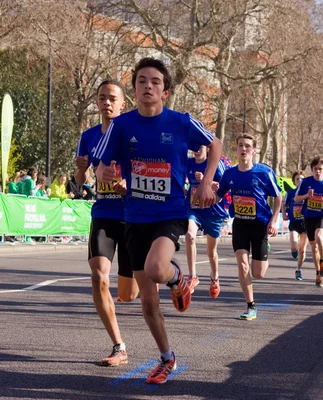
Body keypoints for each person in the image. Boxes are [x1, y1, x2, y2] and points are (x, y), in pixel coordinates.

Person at [95, 58, 222, 384]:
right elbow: (100, 166)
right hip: (135, 218)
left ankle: (179, 277)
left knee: (155, 267)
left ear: (164, 91)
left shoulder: (181, 122)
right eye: (141, 81)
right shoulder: (121, 127)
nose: (147, 86)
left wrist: (207, 181)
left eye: (154, 81)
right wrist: (105, 171)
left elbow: (215, 144)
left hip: (170, 215)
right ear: (134, 89)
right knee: (148, 302)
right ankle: (167, 358)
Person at [75, 79, 139, 367]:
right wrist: (79, 172)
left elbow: (147, 172)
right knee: (99, 275)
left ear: (123, 103)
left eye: (112, 98)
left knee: (128, 293)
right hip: (102, 213)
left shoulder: (134, 134)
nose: (107, 102)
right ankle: (119, 345)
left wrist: (128, 184)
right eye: (102, 98)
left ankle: (169, 275)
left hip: (132, 216)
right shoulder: (88, 136)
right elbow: (80, 182)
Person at [217, 134, 281, 319]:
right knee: (243, 266)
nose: (243, 149)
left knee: (258, 273)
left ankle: (264, 246)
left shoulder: (264, 172)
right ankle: (250, 306)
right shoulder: (229, 174)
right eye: (240, 146)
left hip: (260, 225)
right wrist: (206, 193)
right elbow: (219, 195)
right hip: (240, 224)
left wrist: (273, 221)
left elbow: (278, 197)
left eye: (247, 146)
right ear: (236, 149)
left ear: (253, 150)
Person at [184, 145, 229, 297]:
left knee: (211, 252)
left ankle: (215, 277)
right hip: (194, 209)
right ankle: (192, 276)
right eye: (194, 147)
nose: (196, 150)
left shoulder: (215, 164)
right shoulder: (189, 163)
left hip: (212, 211)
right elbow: (182, 179)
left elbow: (222, 189)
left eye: (200, 147)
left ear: (207, 148)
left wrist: (206, 182)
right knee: (190, 235)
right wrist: (184, 187)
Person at [294, 157, 323, 288]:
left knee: (319, 236)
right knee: (313, 247)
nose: (318, 171)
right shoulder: (305, 182)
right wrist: (306, 196)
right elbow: (296, 198)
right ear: (312, 170)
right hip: (309, 216)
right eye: (315, 169)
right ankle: (318, 274)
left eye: (320, 169)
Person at [282, 170, 307, 280]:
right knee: (294, 246)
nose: (300, 181)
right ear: (294, 181)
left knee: (302, 250)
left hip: (306, 224)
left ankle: (298, 270)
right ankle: (294, 251)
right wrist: (284, 214)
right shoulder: (290, 193)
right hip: (294, 223)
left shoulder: (308, 193)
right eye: (297, 179)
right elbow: (284, 203)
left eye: (302, 179)